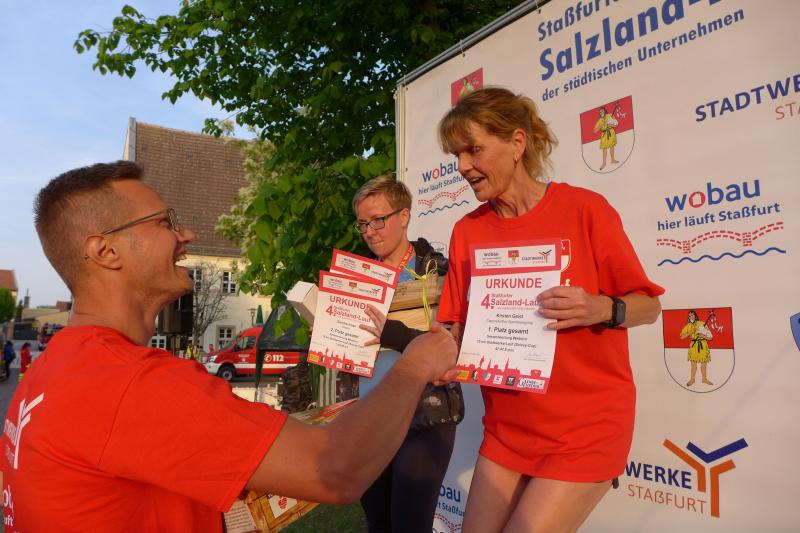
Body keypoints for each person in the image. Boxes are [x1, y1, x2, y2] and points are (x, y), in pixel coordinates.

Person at [0, 161, 458, 532]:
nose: (185, 235)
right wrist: (415, 365)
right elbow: (338, 470)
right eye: (164, 222)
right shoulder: (135, 383)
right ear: (105, 251)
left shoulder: (50, 370)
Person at [436, 87, 664, 532]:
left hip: (584, 431)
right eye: (456, 155)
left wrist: (601, 307)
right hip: (507, 431)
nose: (462, 166)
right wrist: (440, 352)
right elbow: (455, 328)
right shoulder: (467, 232)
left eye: (473, 150)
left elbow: (649, 307)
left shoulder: (585, 210)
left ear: (517, 143)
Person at [352, 175, 465, 533]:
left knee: (409, 525)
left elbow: (454, 347)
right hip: (369, 417)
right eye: (362, 223)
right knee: (378, 524)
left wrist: (396, 335)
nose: (369, 232)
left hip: (425, 415)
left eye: (378, 220)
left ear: (404, 216)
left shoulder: (439, 270)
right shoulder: (356, 277)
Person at [679, 309, 713, 386]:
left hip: (702, 345)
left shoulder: (702, 323)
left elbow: (710, 337)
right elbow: (681, 337)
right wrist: (690, 332)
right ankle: (692, 379)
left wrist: (702, 336)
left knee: (703, 364)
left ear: (695, 315)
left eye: (692, 315)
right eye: (689, 316)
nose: (691, 317)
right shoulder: (688, 326)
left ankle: (704, 379)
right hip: (693, 346)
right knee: (693, 364)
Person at [592, 106, 619, 170]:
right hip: (604, 135)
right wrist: (601, 125)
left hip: (611, 132)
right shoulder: (600, 120)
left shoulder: (610, 115)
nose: (601, 112)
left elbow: (616, 124)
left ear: (605, 111)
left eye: (602, 111)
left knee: (612, 146)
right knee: (604, 149)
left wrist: (610, 124)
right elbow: (594, 131)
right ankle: (604, 163)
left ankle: (612, 160)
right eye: (600, 112)